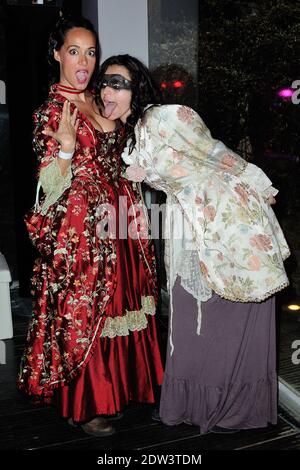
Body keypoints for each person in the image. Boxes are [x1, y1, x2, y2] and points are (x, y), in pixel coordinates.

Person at [95, 54, 290, 434]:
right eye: (104, 83)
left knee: (223, 312)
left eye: (118, 83)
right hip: (188, 223)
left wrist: (260, 184)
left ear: (138, 88)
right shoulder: (133, 135)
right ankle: (193, 403)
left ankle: (233, 406)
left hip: (226, 220)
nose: (107, 90)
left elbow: (216, 152)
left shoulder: (166, 116)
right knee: (189, 313)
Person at [17, 21, 163, 437]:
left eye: (91, 53)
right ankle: (86, 404)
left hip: (121, 218)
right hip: (81, 226)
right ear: (58, 54)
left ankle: (114, 391)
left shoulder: (101, 99)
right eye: (75, 51)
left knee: (119, 304)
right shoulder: (50, 110)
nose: (84, 61)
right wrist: (65, 146)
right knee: (86, 309)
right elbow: (48, 185)